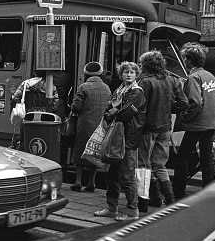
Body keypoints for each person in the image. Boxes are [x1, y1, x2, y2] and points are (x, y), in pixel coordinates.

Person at [137, 51, 188, 211]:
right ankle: (170, 199)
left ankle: (147, 200)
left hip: (147, 128)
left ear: (146, 65)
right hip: (165, 126)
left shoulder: (145, 81)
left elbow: (140, 107)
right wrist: (167, 109)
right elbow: (183, 103)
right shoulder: (173, 80)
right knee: (160, 164)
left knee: (143, 165)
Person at [94, 61, 146, 221]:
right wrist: (113, 111)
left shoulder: (137, 93)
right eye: (126, 72)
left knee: (127, 176)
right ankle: (112, 207)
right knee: (111, 174)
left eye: (132, 72)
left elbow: (124, 114)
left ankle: (132, 211)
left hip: (128, 139)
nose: (129, 75)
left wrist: (113, 112)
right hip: (117, 137)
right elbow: (108, 109)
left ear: (137, 75)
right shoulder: (120, 90)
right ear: (121, 74)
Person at [173, 42, 215, 199]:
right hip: (211, 123)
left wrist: (185, 117)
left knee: (182, 158)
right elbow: (214, 101)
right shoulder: (209, 75)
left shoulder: (193, 77)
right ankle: (209, 193)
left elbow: (195, 102)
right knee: (207, 159)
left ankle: (178, 193)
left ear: (188, 60)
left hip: (197, 124)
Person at [69, 62, 111, 192]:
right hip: (100, 126)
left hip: (85, 123)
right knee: (94, 152)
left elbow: (76, 106)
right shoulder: (106, 88)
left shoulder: (83, 87)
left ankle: (78, 181)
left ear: (86, 73)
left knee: (80, 151)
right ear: (100, 74)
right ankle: (91, 182)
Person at [11, 69, 59, 151]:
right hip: (44, 117)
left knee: (25, 139)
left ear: (34, 73)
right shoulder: (51, 86)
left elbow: (15, 98)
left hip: (27, 116)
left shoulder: (25, 84)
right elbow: (55, 106)